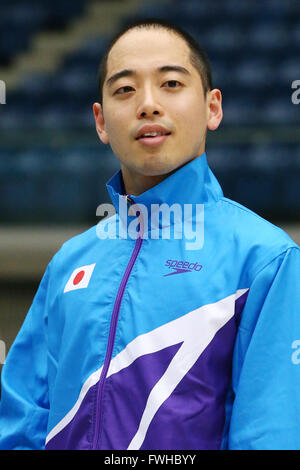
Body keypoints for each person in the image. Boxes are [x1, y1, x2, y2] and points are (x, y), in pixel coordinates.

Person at [0, 18, 299, 451]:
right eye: (125, 90)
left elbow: (272, 436)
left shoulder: (266, 261)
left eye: (171, 84)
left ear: (213, 108)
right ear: (101, 122)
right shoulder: (68, 262)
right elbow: (20, 424)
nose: (148, 104)